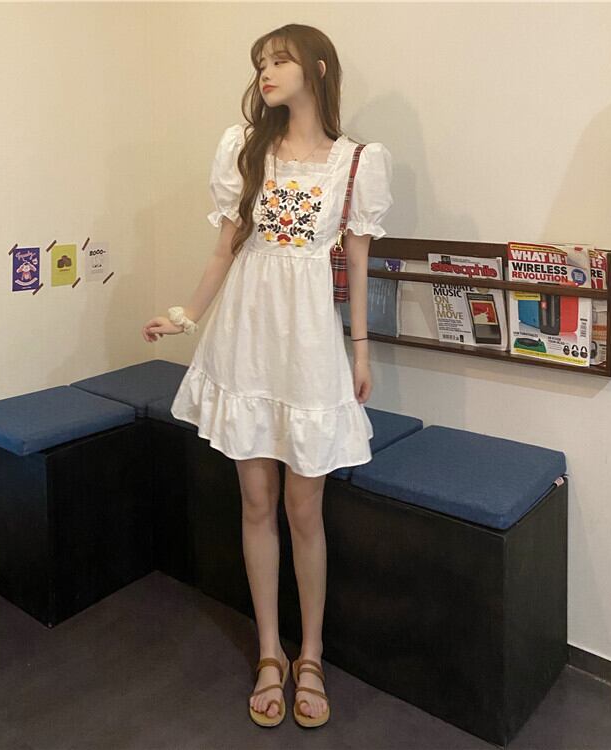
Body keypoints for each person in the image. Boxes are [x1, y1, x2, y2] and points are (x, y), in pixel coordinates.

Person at [141, 23, 393, 729]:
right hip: (245, 341)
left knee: (304, 509)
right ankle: (269, 653)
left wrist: (361, 354)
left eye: (279, 60)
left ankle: (312, 653)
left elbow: (358, 265)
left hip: (308, 347)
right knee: (256, 503)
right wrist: (186, 316)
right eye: (259, 63)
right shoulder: (244, 149)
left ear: (318, 67)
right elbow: (225, 250)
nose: (265, 73)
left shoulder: (357, 162)